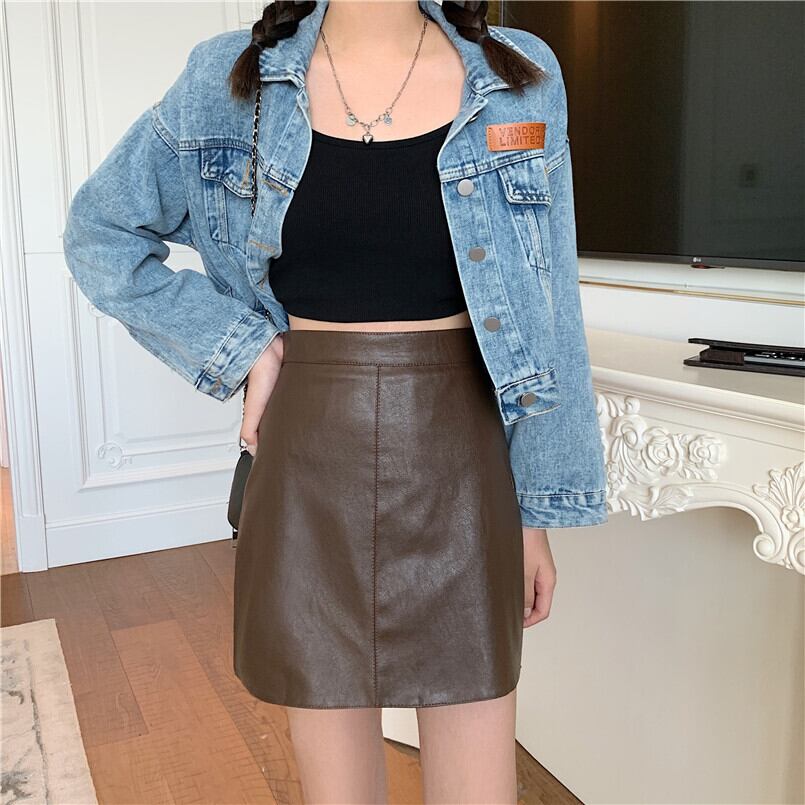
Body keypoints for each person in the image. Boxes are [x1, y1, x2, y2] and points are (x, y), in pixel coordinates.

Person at [62, 1, 609, 801]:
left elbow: (549, 303)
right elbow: (100, 232)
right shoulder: (226, 81)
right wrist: (243, 348)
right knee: (331, 751)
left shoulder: (516, 76)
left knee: (476, 750)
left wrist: (536, 509)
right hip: (308, 449)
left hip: (465, 449)